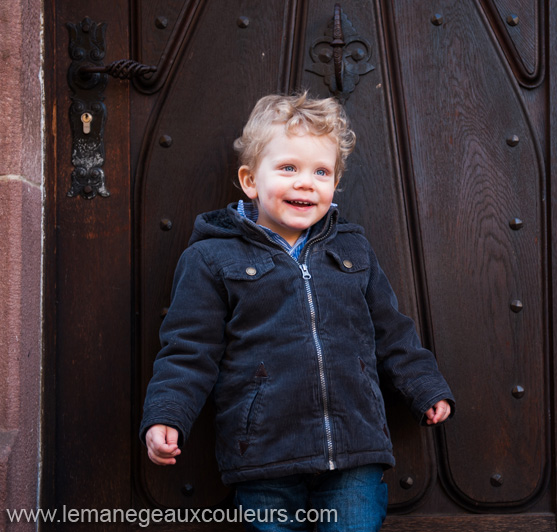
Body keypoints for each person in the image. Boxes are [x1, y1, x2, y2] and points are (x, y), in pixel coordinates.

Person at [139, 92, 454, 531]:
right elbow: (188, 349)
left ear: (334, 183)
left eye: (321, 172)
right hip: (263, 452)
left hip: (353, 448)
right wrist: (166, 413)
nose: (306, 182)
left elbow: (392, 332)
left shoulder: (352, 249)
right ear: (250, 180)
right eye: (288, 168)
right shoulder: (212, 258)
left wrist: (424, 387)